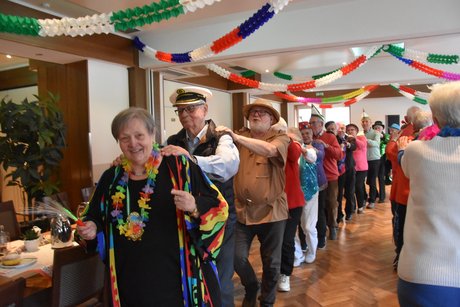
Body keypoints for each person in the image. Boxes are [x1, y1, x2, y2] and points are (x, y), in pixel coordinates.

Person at [77, 107, 228, 306]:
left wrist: (194, 205)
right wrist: (91, 228)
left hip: (175, 280)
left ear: (152, 134)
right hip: (128, 283)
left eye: (139, 135)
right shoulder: (110, 178)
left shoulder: (179, 168)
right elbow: (93, 215)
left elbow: (219, 207)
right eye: (124, 138)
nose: (133, 144)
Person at [163, 86, 240, 307]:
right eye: (180, 110)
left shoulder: (221, 137)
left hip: (219, 221)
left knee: (220, 281)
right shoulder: (174, 140)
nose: (185, 115)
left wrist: (191, 159)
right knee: (191, 276)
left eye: (191, 109)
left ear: (204, 109)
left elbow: (227, 165)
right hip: (187, 221)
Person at [216, 99, 289, 307]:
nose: (256, 115)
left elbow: (269, 151)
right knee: (236, 258)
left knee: (272, 264)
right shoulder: (240, 137)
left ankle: (267, 302)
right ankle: (251, 285)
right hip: (241, 211)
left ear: (272, 119)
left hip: (272, 211)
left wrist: (234, 136)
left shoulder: (281, 138)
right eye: (253, 112)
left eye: (262, 112)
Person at [397, 81, 460, 306]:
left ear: (435, 118)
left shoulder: (416, 151)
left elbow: (404, 163)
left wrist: (402, 147)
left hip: (422, 273)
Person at [274, 123, 305, 293]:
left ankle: (285, 273)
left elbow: (293, 153)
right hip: (272, 202)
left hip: (292, 203)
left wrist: (285, 137)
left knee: (286, 240)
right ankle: (274, 271)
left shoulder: (294, 146)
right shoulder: (269, 146)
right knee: (272, 241)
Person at [309, 106, 342, 242]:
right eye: (310, 123)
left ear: (321, 124)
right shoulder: (308, 136)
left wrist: (326, 146)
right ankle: (318, 229)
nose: (311, 126)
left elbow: (339, 155)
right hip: (313, 176)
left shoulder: (330, 137)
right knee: (317, 205)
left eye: (313, 123)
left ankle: (333, 226)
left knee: (331, 202)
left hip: (330, 176)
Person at [294, 124, 320, 264]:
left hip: (309, 192)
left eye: (307, 133)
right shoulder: (291, 149)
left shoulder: (310, 149)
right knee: (291, 228)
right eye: (302, 133)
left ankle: (312, 250)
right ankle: (297, 254)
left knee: (308, 226)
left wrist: (300, 147)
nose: (305, 135)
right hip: (292, 193)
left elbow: (312, 157)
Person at [345, 123, 367, 216]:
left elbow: (362, 146)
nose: (350, 131)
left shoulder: (361, 138)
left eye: (352, 130)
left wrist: (355, 139)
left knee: (358, 186)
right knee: (350, 189)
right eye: (348, 130)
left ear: (356, 131)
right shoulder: (346, 140)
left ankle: (361, 206)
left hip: (361, 168)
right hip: (350, 168)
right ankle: (352, 207)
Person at [361, 112, 380, 209]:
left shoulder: (376, 133)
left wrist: (364, 140)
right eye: (363, 122)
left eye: (366, 121)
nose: (364, 123)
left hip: (374, 159)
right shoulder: (360, 134)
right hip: (364, 160)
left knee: (372, 180)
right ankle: (373, 195)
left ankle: (372, 200)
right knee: (365, 181)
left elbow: (376, 144)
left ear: (370, 123)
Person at [372, 120, 389, 203]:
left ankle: (382, 197)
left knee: (381, 178)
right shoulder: (372, 136)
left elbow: (388, 142)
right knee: (371, 178)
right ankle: (375, 194)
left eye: (379, 128)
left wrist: (382, 137)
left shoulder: (386, 136)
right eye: (375, 128)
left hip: (382, 159)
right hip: (373, 159)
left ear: (382, 128)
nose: (377, 129)